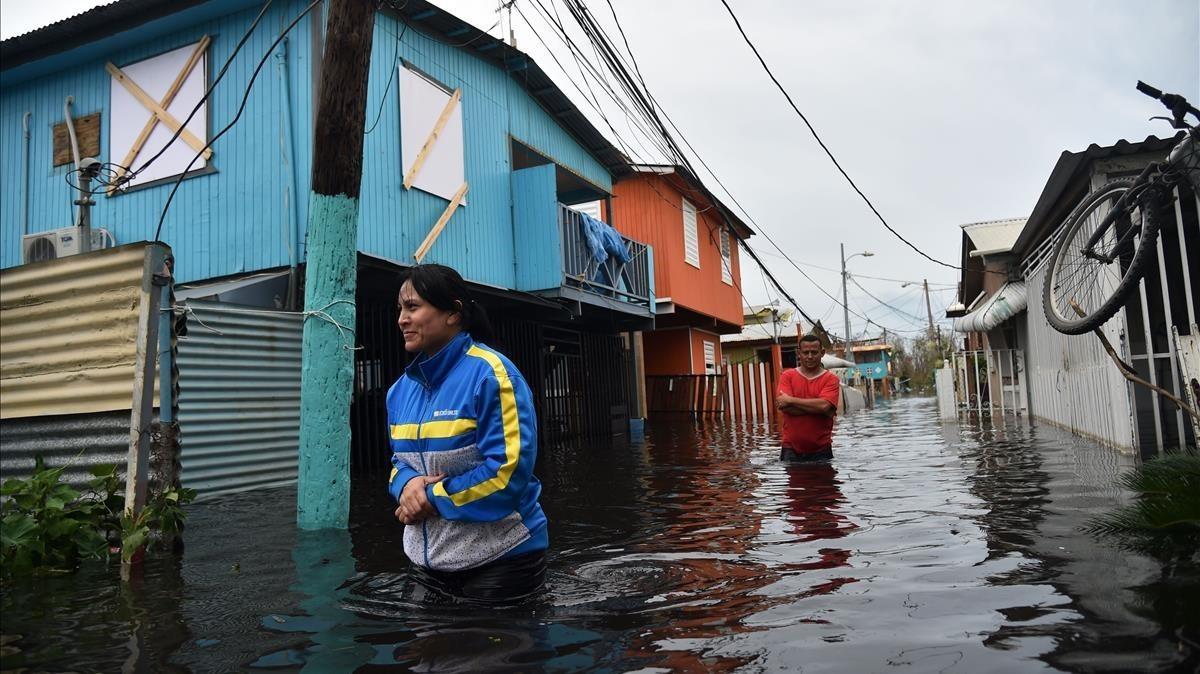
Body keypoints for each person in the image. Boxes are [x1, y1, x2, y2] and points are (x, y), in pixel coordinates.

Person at [385, 264, 548, 602]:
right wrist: (406, 486)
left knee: (485, 652)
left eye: (413, 307)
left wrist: (428, 499)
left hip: (502, 558)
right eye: (400, 308)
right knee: (425, 652)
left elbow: (506, 473)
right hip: (425, 561)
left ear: (453, 314)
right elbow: (398, 461)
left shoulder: (492, 376)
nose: (402, 318)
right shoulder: (398, 392)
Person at [776, 333, 842, 462]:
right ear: (799, 353)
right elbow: (784, 407)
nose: (810, 357)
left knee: (824, 482)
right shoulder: (787, 376)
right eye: (806, 353)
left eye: (814, 352)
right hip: (790, 449)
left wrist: (791, 400)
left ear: (822, 353)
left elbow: (824, 406)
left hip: (821, 449)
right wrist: (821, 410)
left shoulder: (831, 379)